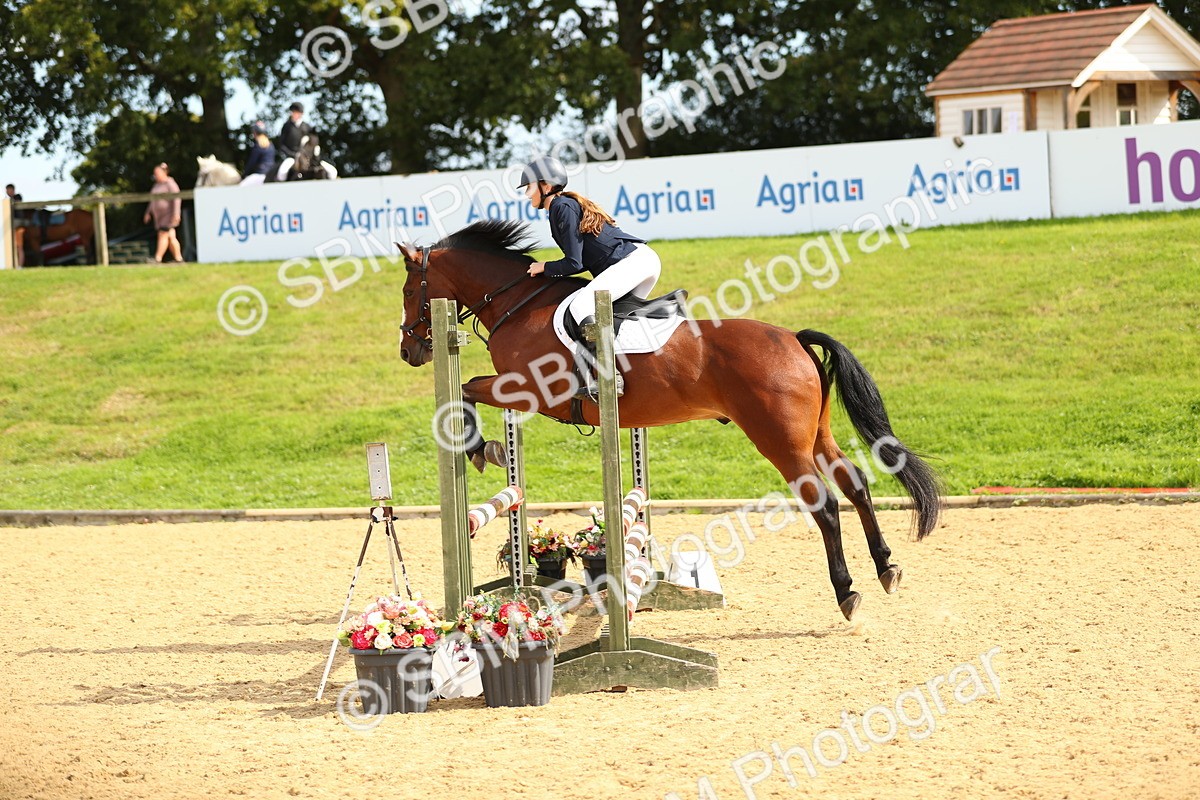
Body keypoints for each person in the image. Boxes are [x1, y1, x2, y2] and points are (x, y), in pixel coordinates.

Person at [518, 155, 660, 399]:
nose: (526, 194)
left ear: (546, 186)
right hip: (641, 261)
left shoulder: (560, 207)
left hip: (633, 263)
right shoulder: (564, 205)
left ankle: (609, 376)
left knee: (581, 305)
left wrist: (544, 267)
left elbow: (575, 263)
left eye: (529, 187)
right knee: (613, 320)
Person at [143, 163, 183, 264]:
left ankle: (157, 258)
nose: (155, 175)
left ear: (164, 173)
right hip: (159, 217)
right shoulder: (156, 185)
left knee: (163, 234)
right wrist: (148, 212)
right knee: (171, 237)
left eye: (157, 173)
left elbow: (177, 198)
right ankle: (179, 259)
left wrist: (176, 213)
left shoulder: (170, 183)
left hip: (168, 215)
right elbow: (152, 200)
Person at [240, 121, 276, 186]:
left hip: (259, 175)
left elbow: (252, 163)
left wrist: (244, 174)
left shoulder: (258, 146)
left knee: (241, 185)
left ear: (255, 133)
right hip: (270, 174)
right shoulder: (271, 145)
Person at [5, 184, 25, 267]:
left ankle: (20, 265)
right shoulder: (6, 200)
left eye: (9, 190)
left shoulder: (17, 198)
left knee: (19, 247)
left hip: (18, 226)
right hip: (10, 227)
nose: (8, 192)